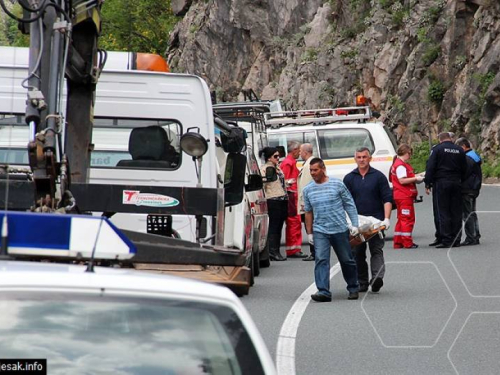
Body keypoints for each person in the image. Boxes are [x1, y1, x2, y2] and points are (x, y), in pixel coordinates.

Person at [303, 158, 360, 302]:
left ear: (323, 169)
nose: (313, 173)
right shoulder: (308, 189)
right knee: (321, 259)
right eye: (311, 170)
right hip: (320, 230)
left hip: (339, 229)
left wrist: (355, 224)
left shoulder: (337, 184)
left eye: (315, 170)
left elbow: (349, 204)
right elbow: (308, 212)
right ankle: (323, 291)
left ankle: (353, 287)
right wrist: (309, 233)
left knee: (346, 260)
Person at [344, 147, 392, 293]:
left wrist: (386, 219)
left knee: (376, 249)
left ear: (370, 158)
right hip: (356, 223)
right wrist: (348, 222)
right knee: (357, 252)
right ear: (355, 159)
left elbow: (387, 199)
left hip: (376, 223)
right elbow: (345, 202)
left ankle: (377, 278)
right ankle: (362, 282)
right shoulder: (349, 178)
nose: (362, 160)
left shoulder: (378, 177)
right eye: (359, 157)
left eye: (364, 157)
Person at [424, 132, 467, 248]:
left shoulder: (437, 149)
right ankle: (456, 239)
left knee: (442, 211)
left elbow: (431, 166)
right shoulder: (459, 150)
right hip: (456, 183)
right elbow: (465, 168)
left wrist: (428, 183)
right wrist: (460, 180)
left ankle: (446, 239)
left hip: (442, 183)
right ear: (450, 139)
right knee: (456, 212)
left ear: (440, 139)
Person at [389, 144, 425, 249]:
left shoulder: (398, 164)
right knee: (407, 219)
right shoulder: (400, 165)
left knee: (401, 219)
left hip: (400, 195)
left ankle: (398, 242)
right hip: (404, 195)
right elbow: (402, 180)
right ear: (406, 153)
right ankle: (407, 242)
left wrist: (416, 176)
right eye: (410, 154)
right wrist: (416, 179)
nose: (410, 156)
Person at [259, 147, 288, 261]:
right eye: (275, 156)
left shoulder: (277, 168)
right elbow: (263, 184)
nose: (278, 158)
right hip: (273, 200)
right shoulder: (265, 169)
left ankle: (276, 250)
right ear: (269, 158)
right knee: (274, 227)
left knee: (279, 226)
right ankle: (272, 251)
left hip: (282, 199)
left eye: (278, 155)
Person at [280, 141, 306, 258]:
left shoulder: (290, 163)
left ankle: (295, 248)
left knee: (295, 222)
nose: (300, 153)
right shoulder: (288, 163)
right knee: (293, 222)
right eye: (299, 151)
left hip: (294, 197)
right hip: (292, 197)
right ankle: (293, 249)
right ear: (294, 150)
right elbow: (285, 182)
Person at [456, 137, 482, 246]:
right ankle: (475, 235)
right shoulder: (474, 156)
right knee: (472, 212)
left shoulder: (467, 158)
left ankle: (471, 237)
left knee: (467, 214)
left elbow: (464, 173)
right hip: (474, 187)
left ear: (463, 147)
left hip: (467, 188)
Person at [297, 143, 315, 261]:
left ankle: (314, 251)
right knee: (310, 226)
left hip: (309, 202)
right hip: (307, 201)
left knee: (311, 226)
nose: (299, 153)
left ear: (305, 152)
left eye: (300, 151)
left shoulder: (310, 164)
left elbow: (307, 184)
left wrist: (304, 201)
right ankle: (314, 251)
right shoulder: (308, 163)